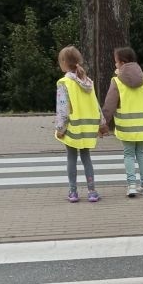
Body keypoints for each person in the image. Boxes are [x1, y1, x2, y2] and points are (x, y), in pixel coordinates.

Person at [102, 46, 143, 197]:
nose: (115, 65)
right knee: (142, 154)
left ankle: (131, 185)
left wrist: (103, 124)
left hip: (126, 127)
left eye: (116, 62)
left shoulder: (117, 81)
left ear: (123, 63)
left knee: (129, 154)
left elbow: (109, 105)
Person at [54, 46, 102, 203]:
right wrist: (101, 123)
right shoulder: (88, 82)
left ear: (63, 62)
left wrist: (60, 129)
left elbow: (63, 109)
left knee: (71, 159)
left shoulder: (64, 82)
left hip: (72, 128)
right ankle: (92, 191)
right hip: (88, 128)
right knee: (86, 157)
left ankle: (73, 192)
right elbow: (96, 104)